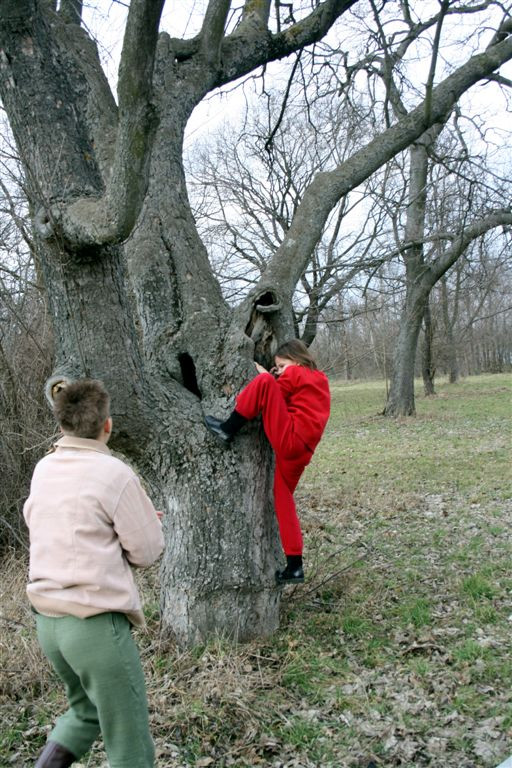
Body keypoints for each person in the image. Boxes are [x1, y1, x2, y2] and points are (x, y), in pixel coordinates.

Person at [23, 379, 164, 768]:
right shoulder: (113, 473)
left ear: (62, 423)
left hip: (49, 623)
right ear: (108, 425)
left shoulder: (44, 468)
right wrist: (143, 524)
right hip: (95, 626)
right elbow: (148, 551)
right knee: (129, 740)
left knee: (83, 713)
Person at [204, 339, 330, 585]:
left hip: (291, 439)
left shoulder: (296, 372)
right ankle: (295, 566)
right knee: (284, 501)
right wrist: (277, 376)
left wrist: (266, 374)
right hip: (302, 451)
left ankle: (228, 428)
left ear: (295, 359)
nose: (281, 370)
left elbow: (272, 392)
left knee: (263, 382)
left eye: (281, 365)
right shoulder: (320, 379)